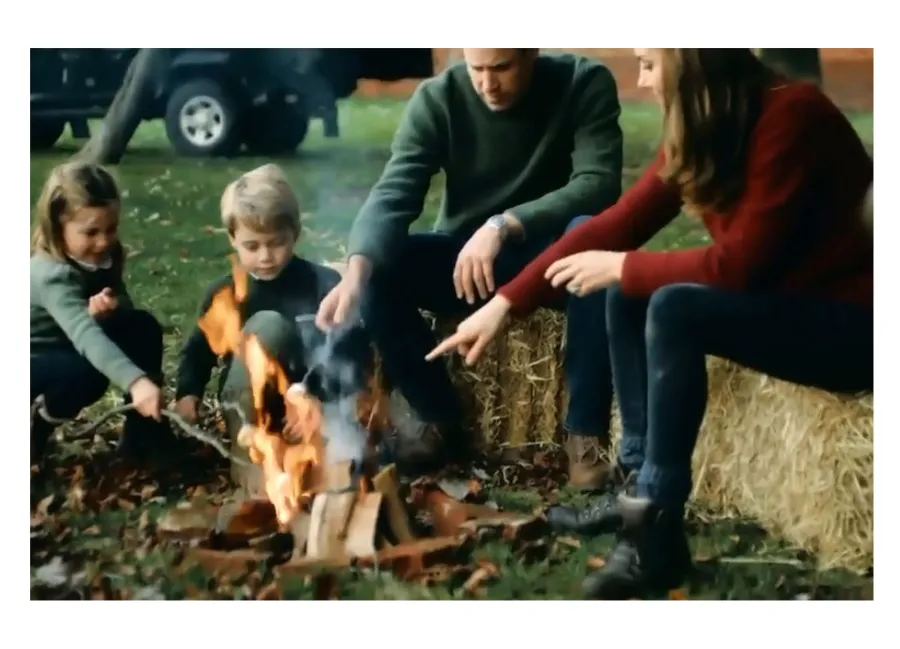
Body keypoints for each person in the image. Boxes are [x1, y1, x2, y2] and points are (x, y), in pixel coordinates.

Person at [427, 48, 873, 599]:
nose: (641, 80)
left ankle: (656, 535)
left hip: (852, 326)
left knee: (670, 304)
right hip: (786, 305)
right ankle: (635, 486)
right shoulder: (711, 123)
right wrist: (504, 304)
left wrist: (623, 266)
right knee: (629, 289)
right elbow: (619, 223)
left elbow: (741, 266)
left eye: (648, 63)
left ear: (690, 62)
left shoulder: (792, 115)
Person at [315, 49, 624, 478]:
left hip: (553, 256)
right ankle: (437, 421)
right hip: (467, 263)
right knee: (379, 271)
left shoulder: (583, 82)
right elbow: (395, 191)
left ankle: (585, 438)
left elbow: (598, 183)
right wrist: (356, 272)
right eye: (476, 68)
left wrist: (504, 224)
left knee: (593, 240)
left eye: (501, 68)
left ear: (531, 52)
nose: (487, 84)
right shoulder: (438, 97)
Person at [174, 164, 371, 495]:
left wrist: (314, 398)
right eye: (252, 246)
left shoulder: (323, 284)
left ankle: (320, 468)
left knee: (343, 462)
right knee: (268, 325)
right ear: (232, 239)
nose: (266, 256)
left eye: (276, 243)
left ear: (295, 233)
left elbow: (348, 350)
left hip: (313, 404)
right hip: (250, 409)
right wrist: (187, 393)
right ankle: (251, 461)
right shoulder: (225, 294)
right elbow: (198, 352)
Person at [30, 160, 176, 470]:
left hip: (69, 343)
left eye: (110, 229)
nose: (103, 241)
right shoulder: (51, 275)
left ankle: (144, 436)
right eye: (91, 232)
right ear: (58, 228)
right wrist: (136, 382)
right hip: (35, 358)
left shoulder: (104, 254)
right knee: (87, 374)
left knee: (142, 327)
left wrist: (113, 307)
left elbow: (121, 304)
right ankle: (35, 430)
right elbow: (85, 335)